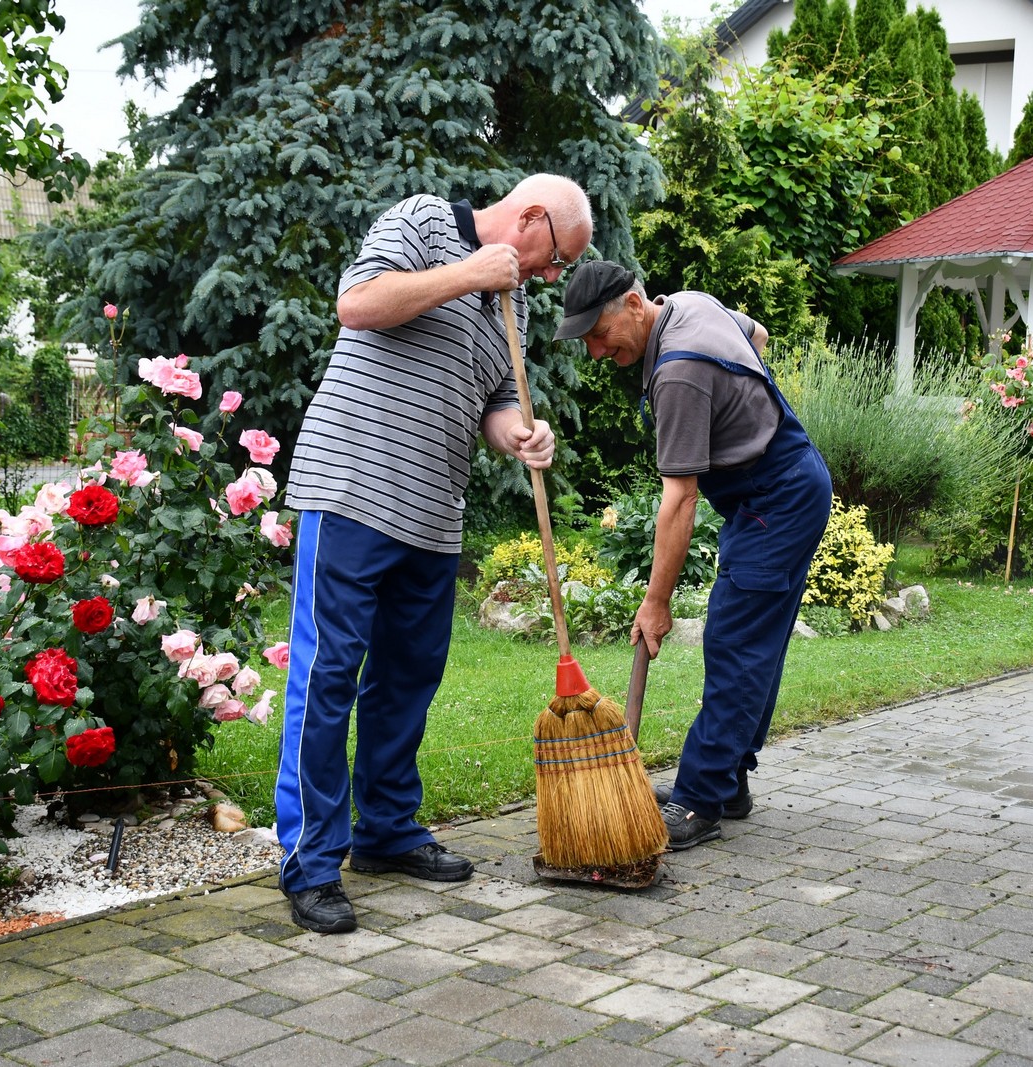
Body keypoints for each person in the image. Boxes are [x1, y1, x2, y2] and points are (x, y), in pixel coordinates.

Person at [276, 174, 591, 934]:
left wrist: (519, 431)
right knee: (327, 678)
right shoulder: (421, 221)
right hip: (352, 489)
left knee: (407, 678)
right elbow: (359, 303)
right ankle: (311, 861)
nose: (552, 279)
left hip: (430, 514)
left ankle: (385, 830)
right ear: (532, 218)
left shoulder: (505, 305)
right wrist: (472, 271)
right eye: (557, 260)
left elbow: (494, 400)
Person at [553, 261, 832, 850]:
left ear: (633, 303)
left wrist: (656, 603)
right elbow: (753, 336)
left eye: (599, 334)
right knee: (756, 640)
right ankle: (727, 780)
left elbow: (679, 499)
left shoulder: (678, 372)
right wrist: (738, 409)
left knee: (735, 641)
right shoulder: (685, 302)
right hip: (786, 483)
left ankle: (701, 798)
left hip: (773, 497)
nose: (598, 352)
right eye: (586, 342)